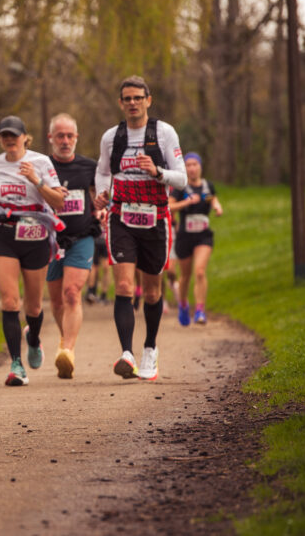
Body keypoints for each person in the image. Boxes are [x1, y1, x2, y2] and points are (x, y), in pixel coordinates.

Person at [94, 75, 186, 381]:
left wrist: (157, 171)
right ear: (120, 103)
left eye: (138, 98)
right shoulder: (112, 137)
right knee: (122, 286)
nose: (132, 103)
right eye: (127, 99)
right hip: (121, 216)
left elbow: (182, 179)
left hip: (155, 218)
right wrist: (102, 194)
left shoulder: (164, 133)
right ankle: (127, 354)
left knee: (151, 292)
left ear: (148, 100)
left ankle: (149, 348)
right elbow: (103, 172)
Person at [0, 115, 67, 386]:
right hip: (5, 233)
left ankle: (34, 338)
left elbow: (59, 201)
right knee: (9, 301)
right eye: (4, 135)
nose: (8, 139)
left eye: (13, 135)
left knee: (34, 305)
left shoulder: (41, 162)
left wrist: (36, 180)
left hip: (36, 234)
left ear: (24, 138)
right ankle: (16, 365)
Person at [44, 113, 100, 379]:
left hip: (82, 237)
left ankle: (68, 350)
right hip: (50, 240)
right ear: (50, 138)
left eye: (69, 136)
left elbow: (99, 195)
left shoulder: (90, 167)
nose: (65, 141)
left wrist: (100, 207)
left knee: (71, 292)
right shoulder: (42, 166)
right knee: (56, 301)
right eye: (60, 136)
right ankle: (63, 342)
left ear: (76, 138)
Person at [169, 152, 223, 326]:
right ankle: (183, 304)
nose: (192, 168)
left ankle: (200, 310)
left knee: (200, 271)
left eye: (195, 164)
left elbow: (212, 198)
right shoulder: (180, 188)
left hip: (203, 236)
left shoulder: (208, 186)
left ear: (200, 166)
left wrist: (217, 206)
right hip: (185, 236)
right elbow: (169, 206)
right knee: (185, 276)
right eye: (188, 165)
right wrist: (186, 203)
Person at [85, 211, 111, 305]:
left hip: (106, 241)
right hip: (95, 240)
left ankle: (104, 294)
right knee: (93, 267)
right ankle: (91, 292)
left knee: (106, 268)